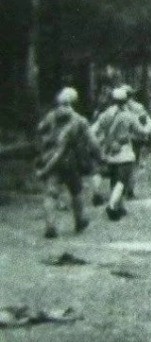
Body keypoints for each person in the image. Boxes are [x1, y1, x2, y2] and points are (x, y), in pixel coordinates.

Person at [35, 87, 102, 238]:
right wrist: (99, 156)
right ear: (74, 101)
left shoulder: (50, 116)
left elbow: (40, 130)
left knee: (51, 194)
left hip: (51, 159)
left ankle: (50, 225)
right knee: (76, 190)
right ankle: (79, 220)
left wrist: (43, 150)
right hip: (71, 162)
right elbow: (93, 142)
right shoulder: (80, 120)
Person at [92, 86, 151, 221]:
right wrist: (150, 130)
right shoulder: (128, 116)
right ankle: (112, 206)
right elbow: (141, 132)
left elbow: (95, 130)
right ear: (126, 100)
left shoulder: (105, 114)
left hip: (109, 152)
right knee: (122, 181)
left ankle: (120, 207)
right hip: (124, 152)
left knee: (114, 180)